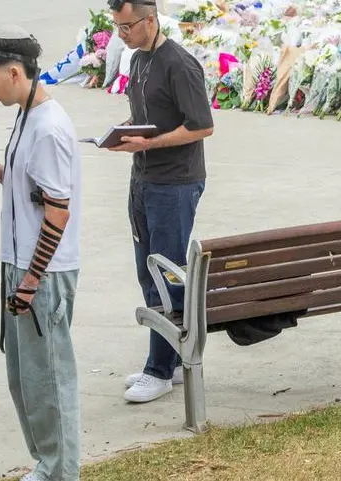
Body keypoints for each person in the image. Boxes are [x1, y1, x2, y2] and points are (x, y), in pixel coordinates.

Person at [0, 26, 82, 481]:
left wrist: (31, 281)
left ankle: (62, 471)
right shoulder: (27, 116)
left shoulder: (48, 129)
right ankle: (48, 464)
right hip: (21, 264)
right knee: (25, 378)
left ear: (14, 72)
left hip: (41, 272)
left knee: (48, 379)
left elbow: (58, 213)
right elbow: (32, 192)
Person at [107, 0, 215, 403]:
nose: (123, 35)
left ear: (150, 21)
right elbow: (149, 116)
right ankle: (165, 361)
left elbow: (202, 126)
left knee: (165, 272)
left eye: (128, 27)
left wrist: (149, 142)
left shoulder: (180, 64)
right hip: (143, 177)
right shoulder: (138, 61)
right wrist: (124, 135)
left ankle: (160, 369)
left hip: (174, 183)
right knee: (145, 270)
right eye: (117, 27)